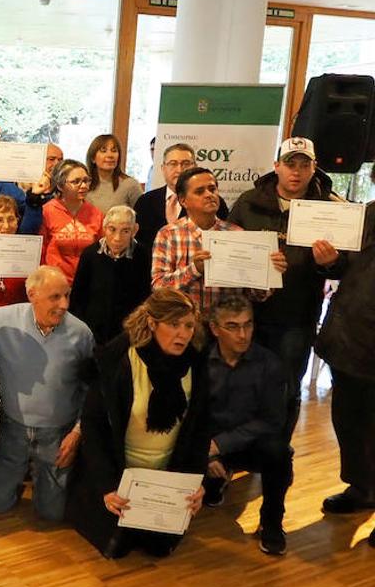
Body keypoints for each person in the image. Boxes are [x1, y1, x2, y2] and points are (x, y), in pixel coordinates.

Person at [67, 288, 209, 559]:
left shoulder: (197, 363)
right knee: (116, 548)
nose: (183, 333)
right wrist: (108, 486)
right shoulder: (119, 360)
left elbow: (200, 429)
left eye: (189, 325)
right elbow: (94, 426)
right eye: (174, 324)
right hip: (120, 472)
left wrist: (195, 480)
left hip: (166, 476)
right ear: (152, 323)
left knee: (159, 550)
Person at [228, 137, 344, 455]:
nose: (296, 172)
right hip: (248, 316)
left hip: (297, 317)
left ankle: (277, 452)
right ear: (276, 166)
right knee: (244, 384)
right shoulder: (249, 201)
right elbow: (228, 251)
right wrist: (255, 263)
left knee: (286, 388)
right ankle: (242, 451)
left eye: (304, 165)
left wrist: (330, 263)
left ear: (314, 168)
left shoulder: (331, 208)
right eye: (290, 164)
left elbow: (346, 267)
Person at [0, 266, 94, 521]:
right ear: (32, 294)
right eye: (55, 297)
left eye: (67, 296)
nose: (64, 305)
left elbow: (91, 389)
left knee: (53, 514)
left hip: (57, 433)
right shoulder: (3, 319)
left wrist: (77, 432)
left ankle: (40, 481)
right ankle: (17, 479)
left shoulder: (81, 334)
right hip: (11, 428)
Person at [203, 295, 292, 555]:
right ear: (214, 329)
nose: (243, 334)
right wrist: (205, 452)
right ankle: (213, 482)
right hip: (208, 443)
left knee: (280, 453)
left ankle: (272, 522)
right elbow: (192, 414)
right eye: (232, 326)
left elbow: (272, 420)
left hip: (249, 444)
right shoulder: (200, 363)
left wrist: (219, 445)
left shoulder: (270, 365)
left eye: (248, 325)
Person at [313, 200, 375, 530]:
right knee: (349, 420)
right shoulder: (367, 214)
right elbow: (343, 265)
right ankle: (361, 488)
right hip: (349, 337)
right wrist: (331, 262)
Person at [150, 167, 286, 317]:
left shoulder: (237, 234)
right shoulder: (168, 235)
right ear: (183, 200)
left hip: (225, 328)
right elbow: (159, 289)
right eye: (200, 191)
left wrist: (269, 272)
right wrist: (194, 269)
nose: (209, 195)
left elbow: (256, 295)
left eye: (212, 189)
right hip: (184, 326)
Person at [70, 205, 152, 344]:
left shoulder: (144, 256)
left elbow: (146, 297)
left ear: (134, 230)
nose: (117, 238)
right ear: (104, 228)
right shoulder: (90, 254)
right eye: (112, 229)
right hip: (92, 331)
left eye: (125, 231)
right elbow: (78, 296)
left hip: (128, 333)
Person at [132, 142, 230, 254]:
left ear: (195, 166)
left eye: (186, 163)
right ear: (163, 168)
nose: (179, 169)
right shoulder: (145, 202)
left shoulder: (212, 202)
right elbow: (137, 242)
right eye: (173, 164)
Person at [40, 159, 104, 283]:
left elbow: (101, 251)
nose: (84, 186)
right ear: (60, 185)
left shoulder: (96, 213)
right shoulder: (47, 212)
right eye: (76, 182)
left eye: (86, 180)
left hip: (87, 282)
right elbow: (41, 252)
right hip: (55, 282)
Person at [84, 134, 141, 214]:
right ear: (93, 158)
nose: (110, 155)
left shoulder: (130, 185)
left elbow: (143, 217)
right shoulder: (84, 184)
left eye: (114, 151)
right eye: (103, 151)